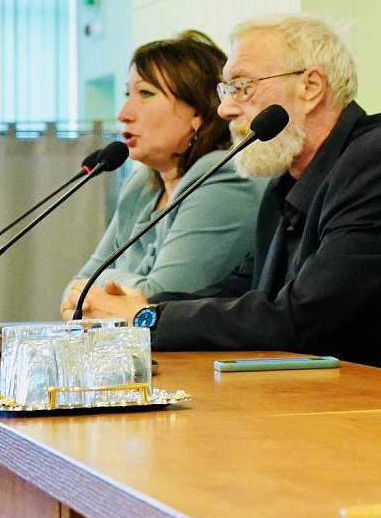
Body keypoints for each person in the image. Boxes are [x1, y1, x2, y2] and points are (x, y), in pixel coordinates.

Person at [85, 13, 381, 370]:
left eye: (242, 87)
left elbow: (303, 318)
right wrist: (144, 309)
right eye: (227, 91)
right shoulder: (290, 176)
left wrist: (150, 319)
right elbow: (245, 286)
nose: (226, 110)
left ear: (310, 87)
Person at [61, 31, 266, 322]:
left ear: (198, 111)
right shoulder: (141, 185)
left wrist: (99, 287)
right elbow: (74, 289)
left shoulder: (223, 177)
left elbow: (160, 300)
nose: (123, 113)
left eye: (145, 93)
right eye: (126, 94)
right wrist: (106, 289)